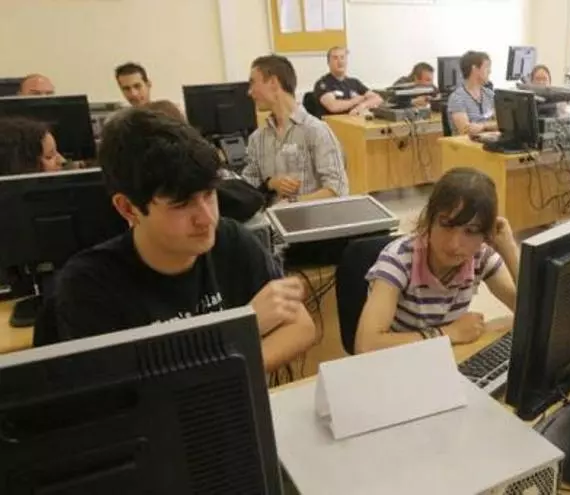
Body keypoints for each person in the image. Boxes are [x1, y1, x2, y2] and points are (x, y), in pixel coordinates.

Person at [53, 108, 317, 373]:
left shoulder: (231, 240)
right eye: (181, 204)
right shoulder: (88, 286)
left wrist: (222, 369)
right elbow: (130, 388)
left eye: (209, 195)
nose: (206, 218)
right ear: (128, 208)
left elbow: (301, 327)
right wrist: (240, 329)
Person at [355, 167, 518, 353]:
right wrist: (447, 333)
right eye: (446, 224)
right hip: (400, 360)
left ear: (485, 235)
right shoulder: (398, 260)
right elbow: (366, 345)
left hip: (446, 356)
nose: (454, 244)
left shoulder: (480, 256)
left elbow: (534, 314)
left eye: (471, 231)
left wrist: (510, 251)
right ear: (429, 219)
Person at [244, 55, 348, 204]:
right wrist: (270, 184)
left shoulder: (316, 131)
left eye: (253, 83)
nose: (249, 92)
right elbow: (246, 188)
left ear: (273, 82)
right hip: (269, 217)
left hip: (310, 217)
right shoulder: (257, 139)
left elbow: (337, 190)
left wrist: (292, 204)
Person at [314, 47, 383, 116]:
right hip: (332, 122)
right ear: (328, 63)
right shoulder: (322, 84)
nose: (340, 61)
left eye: (342, 58)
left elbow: (377, 99)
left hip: (354, 120)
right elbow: (333, 106)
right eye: (335, 58)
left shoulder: (354, 82)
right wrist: (355, 101)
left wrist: (362, 106)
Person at [447, 51, 497, 135]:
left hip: (489, 139)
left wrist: (482, 126)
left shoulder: (489, 94)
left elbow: (503, 124)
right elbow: (466, 131)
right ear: (475, 69)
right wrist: (491, 126)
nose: (490, 71)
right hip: (467, 142)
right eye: (486, 67)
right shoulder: (457, 98)